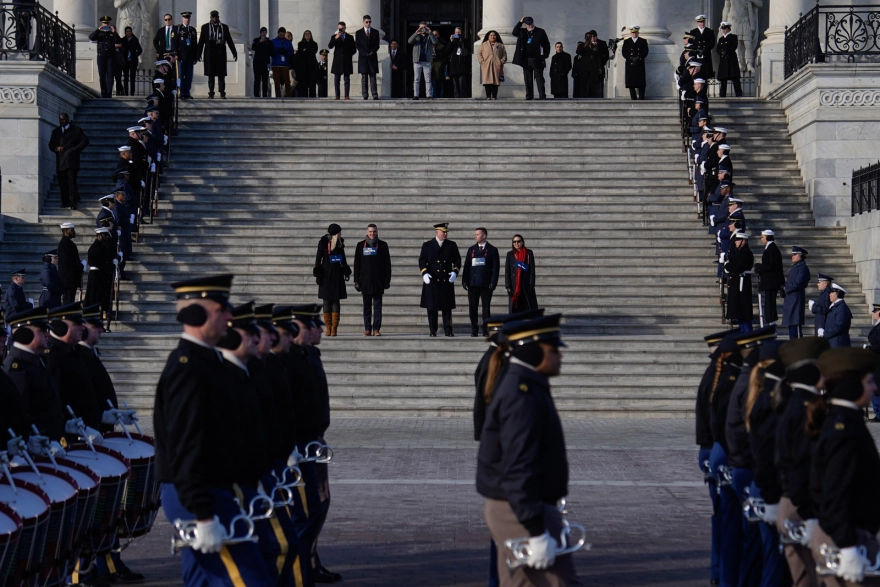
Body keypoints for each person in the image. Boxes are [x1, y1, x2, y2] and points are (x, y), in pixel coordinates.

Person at [155, 275, 277, 587]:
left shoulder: (209, 363)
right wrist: (203, 513)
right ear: (197, 314)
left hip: (212, 489)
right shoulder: (188, 368)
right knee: (250, 580)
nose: (229, 316)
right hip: (200, 494)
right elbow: (185, 445)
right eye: (221, 309)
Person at [477, 314, 580, 586]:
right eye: (553, 350)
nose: (560, 356)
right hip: (521, 509)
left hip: (521, 506)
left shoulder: (527, 386)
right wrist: (536, 531)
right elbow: (517, 464)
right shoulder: (521, 394)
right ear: (532, 350)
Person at [807, 347, 880, 585]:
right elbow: (834, 493)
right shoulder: (844, 431)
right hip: (845, 537)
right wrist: (847, 546)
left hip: (847, 533)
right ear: (852, 386)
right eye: (868, 382)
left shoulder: (844, 421)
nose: (874, 388)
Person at [3, 307, 65, 440]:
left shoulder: (38, 360)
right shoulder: (17, 367)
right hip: (37, 444)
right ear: (25, 334)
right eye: (42, 331)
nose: (48, 334)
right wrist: (30, 438)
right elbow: (18, 413)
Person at [419, 223, 461, 337]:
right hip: (432, 279)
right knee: (432, 307)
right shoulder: (428, 245)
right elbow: (422, 261)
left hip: (446, 279)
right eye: (443, 232)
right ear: (437, 232)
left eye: (446, 232)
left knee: (447, 307)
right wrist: (425, 273)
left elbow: (457, 260)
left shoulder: (451, 245)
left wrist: (455, 271)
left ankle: (448, 329)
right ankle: (433, 330)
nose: (445, 234)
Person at [353, 224, 392, 336]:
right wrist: (356, 281)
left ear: (377, 232)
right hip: (365, 281)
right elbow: (357, 264)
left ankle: (376, 329)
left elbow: (387, 264)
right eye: (370, 231)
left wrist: (387, 280)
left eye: (374, 231)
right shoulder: (360, 245)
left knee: (378, 307)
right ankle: (367, 328)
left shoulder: (383, 245)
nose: (372, 233)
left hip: (378, 281)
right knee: (367, 307)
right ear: (367, 232)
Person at [314, 223, 351, 336]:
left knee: (336, 300)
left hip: (337, 275)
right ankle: (328, 327)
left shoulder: (340, 243)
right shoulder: (323, 242)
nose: (341, 234)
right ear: (335, 233)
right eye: (339, 232)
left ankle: (334, 327)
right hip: (326, 275)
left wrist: (346, 271)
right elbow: (318, 259)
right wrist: (318, 274)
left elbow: (343, 258)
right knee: (326, 300)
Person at [462, 227, 500, 337]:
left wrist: (493, 282)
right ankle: (474, 328)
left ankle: (485, 329)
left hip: (486, 284)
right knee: (472, 308)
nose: (475, 236)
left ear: (484, 236)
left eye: (478, 234)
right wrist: (464, 280)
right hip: (473, 284)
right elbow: (467, 266)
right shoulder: (471, 249)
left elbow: (495, 268)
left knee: (486, 308)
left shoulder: (492, 250)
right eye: (475, 234)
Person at [48, 113, 89, 210]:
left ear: (67, 119)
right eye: (60, 120)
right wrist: (56, 148)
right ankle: (65, 201)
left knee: (71, 181)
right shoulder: (56, 131)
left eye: (63, 119)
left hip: (71, 160)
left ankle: (73, 201)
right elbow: (51, 145)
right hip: (61, 160)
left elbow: (85, 141)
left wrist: (74, 149)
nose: (61, 121)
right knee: (62, 182)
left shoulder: (75, 130)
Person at [197, 10, 237, 99]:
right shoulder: (205, 27)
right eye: (213, 17)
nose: (214, 18)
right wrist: (198, 54)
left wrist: (234, 52)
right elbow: (201, 42)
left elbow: (230, 41)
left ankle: (222, 92)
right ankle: (211, 92)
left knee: (221, 75)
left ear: (218, 17)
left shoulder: (224, 27)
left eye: (216, 17)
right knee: (210, 75)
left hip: (220, 54)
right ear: (210, 17)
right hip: (209, 54)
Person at [511, 17, 550, 100]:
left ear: (533, 23)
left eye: (531, 24)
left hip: (537, 58)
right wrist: (520, 22)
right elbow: (514, 32)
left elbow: (546, 43)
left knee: (539, 78)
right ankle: (529, 95)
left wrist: (545, 55)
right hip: (526, 59)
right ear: (525, 25)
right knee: (528, 78)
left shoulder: (540, 31)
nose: (529, 26)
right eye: (527, 25)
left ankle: (542, 95)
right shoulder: (522, 32)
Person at [724, 232, 754, 331]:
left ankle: (747, 333)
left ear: (743, 241)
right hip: (738, 284)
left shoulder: (745, 253)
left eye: (738, 240)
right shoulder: (740, 252)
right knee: (740, 312)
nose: (735, 242)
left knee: (743, 311)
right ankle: (744, 332)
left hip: (742, 284)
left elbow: (737, 268)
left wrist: (727, 266)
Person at [84, 227, 116, 319]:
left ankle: (102, 313)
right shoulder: (96, 248)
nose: (106, 237)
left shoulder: (101, 246)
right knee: (95, 296)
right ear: (99, 235)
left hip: (100, 274)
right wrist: (112, 265)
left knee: (101, 295)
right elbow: (102, 262)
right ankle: (95, 314)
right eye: (105, 235)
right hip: (97, 275)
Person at [755, 229, 784, 326]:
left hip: (771, 282)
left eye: (763, 237)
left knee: (770, 304)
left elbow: (770, 265)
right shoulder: (770, 248)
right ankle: (770, 322)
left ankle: (771, 323)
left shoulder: (772, 249)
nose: (761, 239)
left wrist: (759, 267)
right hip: (770, 282)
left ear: (767, 237)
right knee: (769, 304)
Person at [783, 246, 811, 339]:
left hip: (796, 299)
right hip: (791, 299)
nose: (793, 256)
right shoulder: (795, 267)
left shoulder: (803, 268)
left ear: (801, 255)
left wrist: (786, 289)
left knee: (796, 325)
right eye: (792, 254)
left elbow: (798, 283)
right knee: (792, 325)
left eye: (795, 254)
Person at [89, 16, 121, 98]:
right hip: (101, 55)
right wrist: (98, 30)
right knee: (102, 75)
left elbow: (118, 41)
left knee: (110, 75)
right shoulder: (99, 33)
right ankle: (103, 93)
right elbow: (91, 37)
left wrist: (114, 32)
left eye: (107, 23)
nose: (106, 24)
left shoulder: (112, 33)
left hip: (110, 56)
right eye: (104, 23)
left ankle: (109, 94)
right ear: (102, 23)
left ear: (109, 24)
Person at [505, 234, 537, 312]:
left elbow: (532, 269)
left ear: (522, 242)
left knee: (528, 307)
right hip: (515, 285)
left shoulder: (528, 253)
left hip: (526, 284)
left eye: (518, 241)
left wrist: (531, 284)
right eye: (514, 242)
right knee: (515, 309)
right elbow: (507, 271)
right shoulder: (510, 254)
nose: (516, 243)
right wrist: (508, 286)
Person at [409, 21, 438, 100]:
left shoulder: (429, 36)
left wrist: (430, 33)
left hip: (427, 60)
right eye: (421, 27)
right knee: (416, 79)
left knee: (428, 79)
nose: (423, 29)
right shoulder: (417, 36)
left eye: (424, 27)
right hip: (417, 60)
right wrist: (416, 33)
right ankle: (416, 95)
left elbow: (435, 41)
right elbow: (409, 41)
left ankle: (428, 95)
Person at [328, 21, 356, 100]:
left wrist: (348, 55)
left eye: (342, 28)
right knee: (337, 79)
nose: (341, 30)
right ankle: (337, 95)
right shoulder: (334, 36)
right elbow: (330, 46)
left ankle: (346, 96)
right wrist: (336, 38)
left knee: (347, 79)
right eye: (340, 29)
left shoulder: (350, 37)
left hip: (347, 60)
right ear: (338, 28)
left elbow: (354, 49)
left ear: (345, 28)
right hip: (338, 60)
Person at [174, 12, 198, 100]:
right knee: (180, 76)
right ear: (182, 19)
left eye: (188, 18)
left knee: (189, 76)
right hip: (181, 57)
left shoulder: (192, 30)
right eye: (185, 18)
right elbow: (175, 42)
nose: (187, 20)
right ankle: (180, 92)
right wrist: (175, 54)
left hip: (190, 57)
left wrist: (195, 57)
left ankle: (187, 92)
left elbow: (195, 44)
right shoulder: (178, 29)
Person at [57, 222, 83, 305]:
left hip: (71, 279)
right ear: (66, 231)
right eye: (72, 230)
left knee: (70, 300)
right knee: (68, 301)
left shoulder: (68, 243)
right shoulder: (64, 244)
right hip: (68, 279)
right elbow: (67, 260)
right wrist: (80, 265)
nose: (74, 232)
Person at [356, 15, 381, 100]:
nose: (368, 23)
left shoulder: (375, 32)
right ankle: (365, 94)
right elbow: (358, 45)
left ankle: (374, 94)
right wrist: (364, 53)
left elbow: (377, 45)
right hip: (363, 58)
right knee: (364, 77)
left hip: (372, 57)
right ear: (363, 22)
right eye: (367, 22)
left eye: (370, 22)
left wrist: (372, 52)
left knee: (373, 77)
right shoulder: (358, 33)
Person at [577, 31, 608, 98]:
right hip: (584, 68)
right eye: (587, 37)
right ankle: (584, 97)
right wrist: (584, 46)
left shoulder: (594, 46)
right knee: (584, 83)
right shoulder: (581, 45)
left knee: (593, 83)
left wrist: (599, 67)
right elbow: (578, 52)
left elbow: (597, 57)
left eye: (590, 37)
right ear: (585, 37)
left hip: (593, 68)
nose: (588, 38)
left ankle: (593, 97)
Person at [478, 31, 507, 101]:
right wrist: (482, 61)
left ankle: (494, 96)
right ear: (488, 37)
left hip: (496, 65)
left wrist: (501, 62)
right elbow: (479, 54)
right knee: (487, 82)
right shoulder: (483, 45)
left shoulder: (500, 45)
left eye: (494, 35)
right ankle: (488, 96)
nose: (492, 37)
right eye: (491, 35)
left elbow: (504, 55)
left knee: (495, 82)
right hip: (486, 65)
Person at [622, 25, 649, 100]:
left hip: (639, 63)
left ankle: (641, 97)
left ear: (638, 33)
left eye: (635, 32)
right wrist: (630, 58)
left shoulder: (643, 41)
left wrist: (639, 58)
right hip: (630, 63)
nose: (634, 34)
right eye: (633, 33)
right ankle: (633, 97)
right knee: (631, 82)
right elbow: (624, 52)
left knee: (641, 82)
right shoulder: (627, 41)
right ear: (630, 33)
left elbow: (645, 51)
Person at [716, 22, 741, 97]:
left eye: (725, 29)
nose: (724, 31)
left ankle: (738, 94)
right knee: (723, 79)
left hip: (731, 59)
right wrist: (721, 52)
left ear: (729, 29)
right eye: (723, 29)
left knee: (735, 78)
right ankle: (722, 95)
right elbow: (718, 48)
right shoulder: (721, 39)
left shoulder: (733, 37)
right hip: (723, 60)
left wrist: (726, 51)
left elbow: (734, 46)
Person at [823, 284, 852, 348]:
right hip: (833, 342)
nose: (829, 294)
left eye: (832, 292)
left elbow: (838, 326)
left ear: (837, 294)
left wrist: (825, 333)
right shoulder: (836, 307)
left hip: (838, 343)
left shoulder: (842, 308)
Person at [689, 15, 716, 80]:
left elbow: (712, 43)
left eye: (703, 22)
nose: (702, 23)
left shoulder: (709, 31)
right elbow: (691, 42)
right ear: (697, 23)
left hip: (706, 54)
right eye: (700, 22)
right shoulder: (693, 32)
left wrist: (705, 49)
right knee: (697, 73)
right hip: (696, 54)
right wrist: (697, 50)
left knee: (706, 73)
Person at [119, 26, 142, 96]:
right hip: (125, 61)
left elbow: (140, 50)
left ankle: (132, 93)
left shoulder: (135, 39)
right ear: (125, 32)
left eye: (129, 31)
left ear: (131, 32)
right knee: (126, 77)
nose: (128, 33)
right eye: (127, 31)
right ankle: (126, 92)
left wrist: (136, 54)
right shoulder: (123, 40)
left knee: (132, 77)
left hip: (133, 61)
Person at [270, 27, 293, 98]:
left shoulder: (288, 42)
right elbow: (270, 52)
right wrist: (277, 51)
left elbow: (291, 53)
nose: (281, 36)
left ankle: (288, 96)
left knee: (287, 82)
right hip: (276, 64)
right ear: (278, 34)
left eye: (283, 35)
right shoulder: (273, 41)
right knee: (277, 82)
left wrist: (286, 52)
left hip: (285, 65)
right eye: (280, 35)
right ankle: (278, 96)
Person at [446, 28, 469, 98]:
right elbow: (447, 50)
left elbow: (467, 49)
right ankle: (456, 96)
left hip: (462, 64)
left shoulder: (464, 40)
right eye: (456, 32)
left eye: (459, 32)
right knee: (455, 82)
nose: (457, 34)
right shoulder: (452, 41)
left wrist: (462, 40)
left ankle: (462, 95)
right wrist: (451, 41)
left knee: (462, 81)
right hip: (454, 64)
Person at [251, 27, 273, 98]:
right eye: (263, 32)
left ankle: (265, 94)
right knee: (257, 79)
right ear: (260, 33)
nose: (264, 33)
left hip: (265, 63)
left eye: (265, 32)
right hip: (257, 62)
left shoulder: (268, 41)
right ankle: (256, 94)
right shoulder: (256, 40)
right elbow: (253, 47)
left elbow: (271, 50)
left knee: (265, 79)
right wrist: (260, 42)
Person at [297, 31, 319, 97]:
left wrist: (306, 50)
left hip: (312, 66)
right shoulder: (300, 44)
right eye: (305, 34)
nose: (307, 35)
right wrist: (309, 50)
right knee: (304, 84)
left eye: (308, 33)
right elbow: (301, 52)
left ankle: (313, 97)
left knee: (312, 83)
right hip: (304, 66)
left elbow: (314, 51)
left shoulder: (314, 43)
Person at [430, 30, 447, 98]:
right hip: (430, 66)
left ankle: (440, 96)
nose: (434, 37)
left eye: (436, 35)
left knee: (439, 83)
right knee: (432, 83)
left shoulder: (442, 46)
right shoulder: (428, 45)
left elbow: (445, 56)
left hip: (439, 67)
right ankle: (432, 95)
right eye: (433, 35)